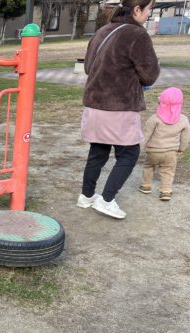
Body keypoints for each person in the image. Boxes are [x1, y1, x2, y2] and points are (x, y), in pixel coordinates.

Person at [76, 0, 160, 219]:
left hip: (94, 104)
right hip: (119, 106)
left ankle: (86, 196)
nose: (149, 14)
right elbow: (150, 75)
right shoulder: (137, 34)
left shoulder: (102, 30)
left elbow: (88, 67)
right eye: (149, 9)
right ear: (137, 9)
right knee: (129, 153)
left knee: (98, 151)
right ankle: (106, 200)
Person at [139, 87, 190, 201]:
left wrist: (140, 148)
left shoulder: (154, 118)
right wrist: (181, 149)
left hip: (153, 151)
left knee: (148, 166)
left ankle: (146, 185)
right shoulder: (183, 120)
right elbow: (185, 137)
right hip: (171, 152)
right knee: (168, 171)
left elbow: (146, 134)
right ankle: (166, 191)